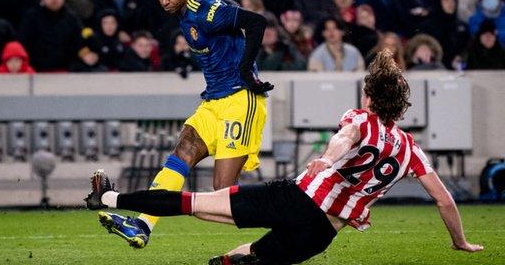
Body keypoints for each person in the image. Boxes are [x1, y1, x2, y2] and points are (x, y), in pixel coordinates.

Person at [86, 50, 484, 265]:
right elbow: (444, 199)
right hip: (321, 235)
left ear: (370, 97)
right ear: (402, 107)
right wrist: (460, 242)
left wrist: (327, 162)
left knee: (194, 204)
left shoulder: (360, 118)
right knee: (245, 259)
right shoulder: (411, 151)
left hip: (295, 200)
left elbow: (344, 139)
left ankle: (109, 199)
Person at [96, 0, 273, 249]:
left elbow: (256, 22)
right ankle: (143, 223)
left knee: (223, 192)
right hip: (213, 100)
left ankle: (290, 213)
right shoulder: (188, 9)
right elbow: (228, 7)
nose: (165, 1)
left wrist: (245, 69)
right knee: (183, 149)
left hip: (240, 100)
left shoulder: (204, 10)